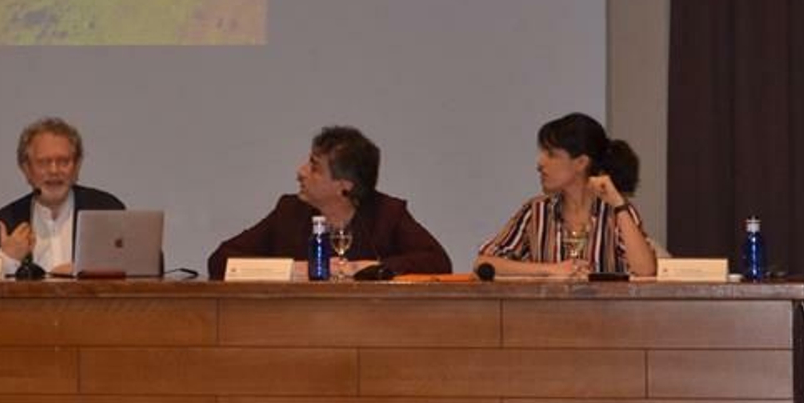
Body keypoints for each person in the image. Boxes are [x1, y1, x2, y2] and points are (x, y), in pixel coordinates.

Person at [208, 125, 451, 280]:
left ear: (344, 185)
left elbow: (438, 262)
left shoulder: (387, 214)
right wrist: (293, 270)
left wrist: (365, 269)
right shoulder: (289, 212)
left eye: (314, 167)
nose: (300, 171)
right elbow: (220, 260)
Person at [475, 112, 657, 278]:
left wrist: (618, 203)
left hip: (606, 313)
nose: (540, 163)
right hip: (548, 314)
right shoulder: (536, 211)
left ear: (581, 163)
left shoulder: (616, 211)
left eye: (551, 154)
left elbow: (645, 270)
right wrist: (550, 269)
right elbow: (483, 263)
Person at [0, 117, 126, 276]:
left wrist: (87, 272)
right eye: (43, 162)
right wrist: (8, 260)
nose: (54, 171)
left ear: (77, 166)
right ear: (26, 169)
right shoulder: (5, 224)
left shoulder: (107, 211)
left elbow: (148, 266)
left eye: (63, 161)